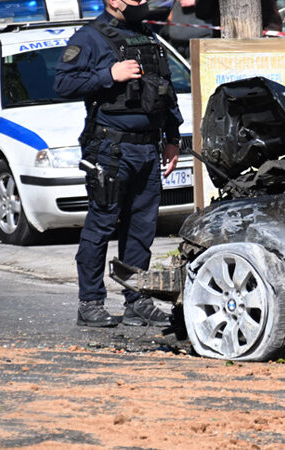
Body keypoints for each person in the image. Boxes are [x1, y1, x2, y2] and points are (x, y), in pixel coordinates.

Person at [54, 0, 183, 328]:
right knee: (102, 224)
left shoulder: (147, 36)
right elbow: (63, 84)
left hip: (148, 149)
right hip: (111, 148)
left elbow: (165, 89)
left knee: (142, 230)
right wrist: (108, 74)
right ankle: (90, 302)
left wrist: (172, 137)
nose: (143, 4)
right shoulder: (89, 37)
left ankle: (136, 301)